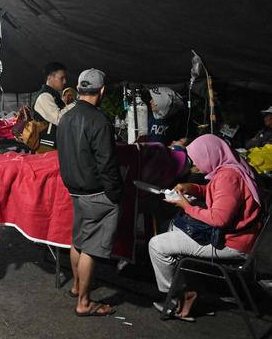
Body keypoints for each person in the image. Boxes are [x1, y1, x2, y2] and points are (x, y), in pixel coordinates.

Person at [148, 134, 261, 321]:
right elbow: (214, 192)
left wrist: (187, 206)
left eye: (198, 160)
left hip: (232, 244)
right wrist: (190, 187)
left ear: (210, 156)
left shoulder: (228, 177)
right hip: (240, 237)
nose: (196, 166)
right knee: (171, 228)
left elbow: (219, 219)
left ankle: (178, 295)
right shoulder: (233, 168)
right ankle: (187, 288)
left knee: (157, 245)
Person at [57, 68, 122, 317]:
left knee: (79, 240)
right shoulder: (98, 120)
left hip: (75, 191)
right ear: (102, 91)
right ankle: (84, 302)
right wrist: (115, 193)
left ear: (79, 88)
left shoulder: (66, 117)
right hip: (97, 194)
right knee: (91, 248)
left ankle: (76, 286)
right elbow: (107, 164)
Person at [33, 62, 69, 153]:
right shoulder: (44, 96)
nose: (65, 81)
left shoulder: (53, 95)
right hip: (47, 147)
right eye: (61, 78)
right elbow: (59, 118)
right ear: (50, 77)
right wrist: (76, 103)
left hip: (53, 145)